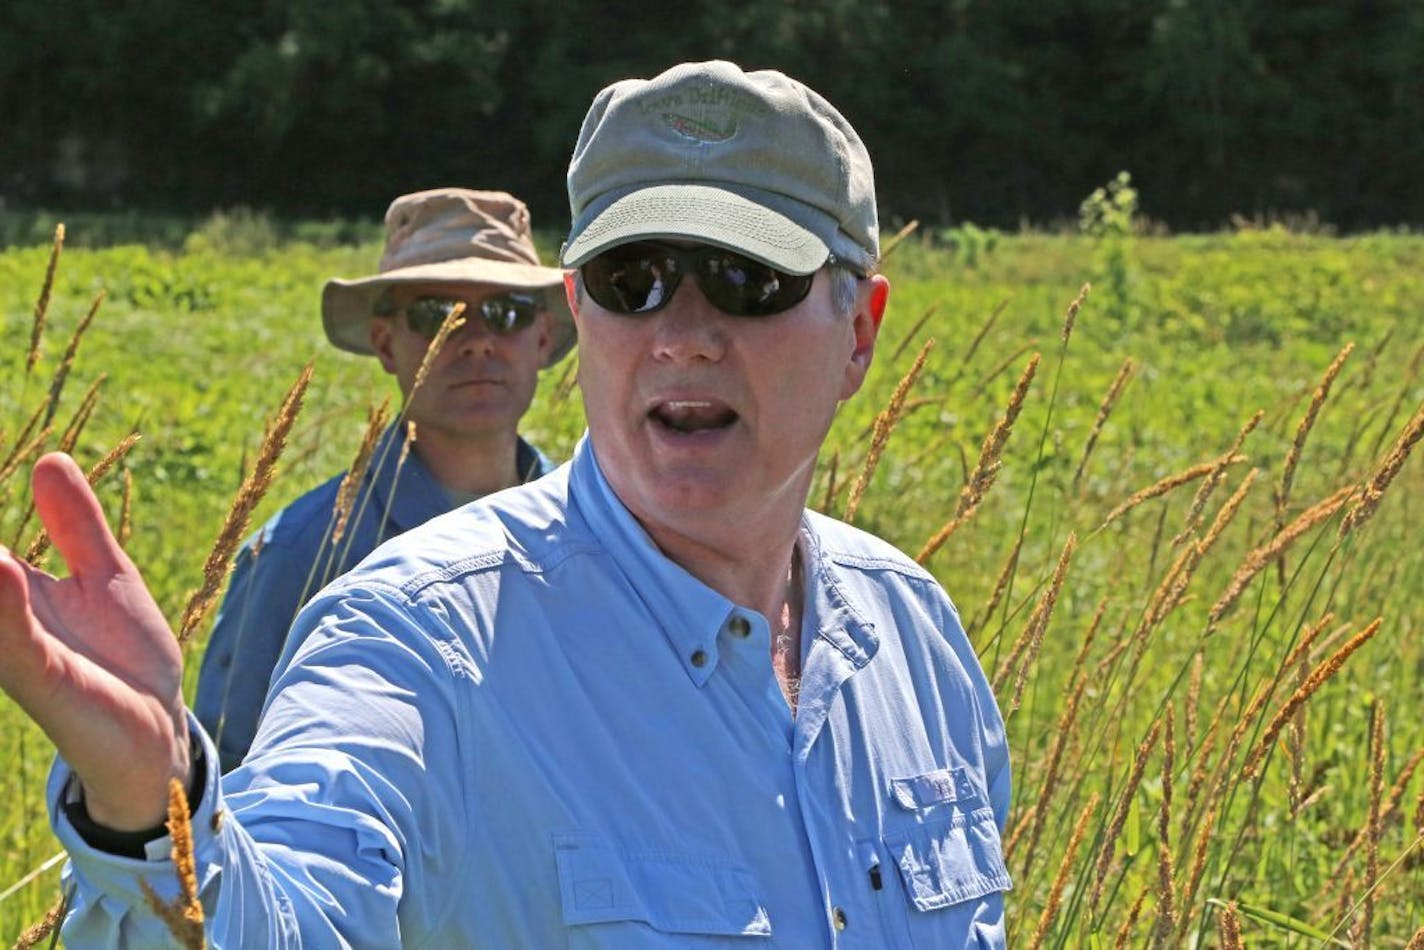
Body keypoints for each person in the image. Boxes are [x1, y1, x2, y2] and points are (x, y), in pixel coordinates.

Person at [0, 61, 1012, 947]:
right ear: (582, 312)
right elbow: (293, 906)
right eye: (634, 277)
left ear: (859, 332)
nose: (683, 332)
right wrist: (151, 809)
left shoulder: (913, 638)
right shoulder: (418, 635)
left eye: (747, 277)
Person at [193, 187, 575, 773]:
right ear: (384, 344)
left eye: (508, 311)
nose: (475, 339)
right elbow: (231, 775)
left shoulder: (596, 533)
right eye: (435, 315)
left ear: (543, 338)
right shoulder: (300, 555)